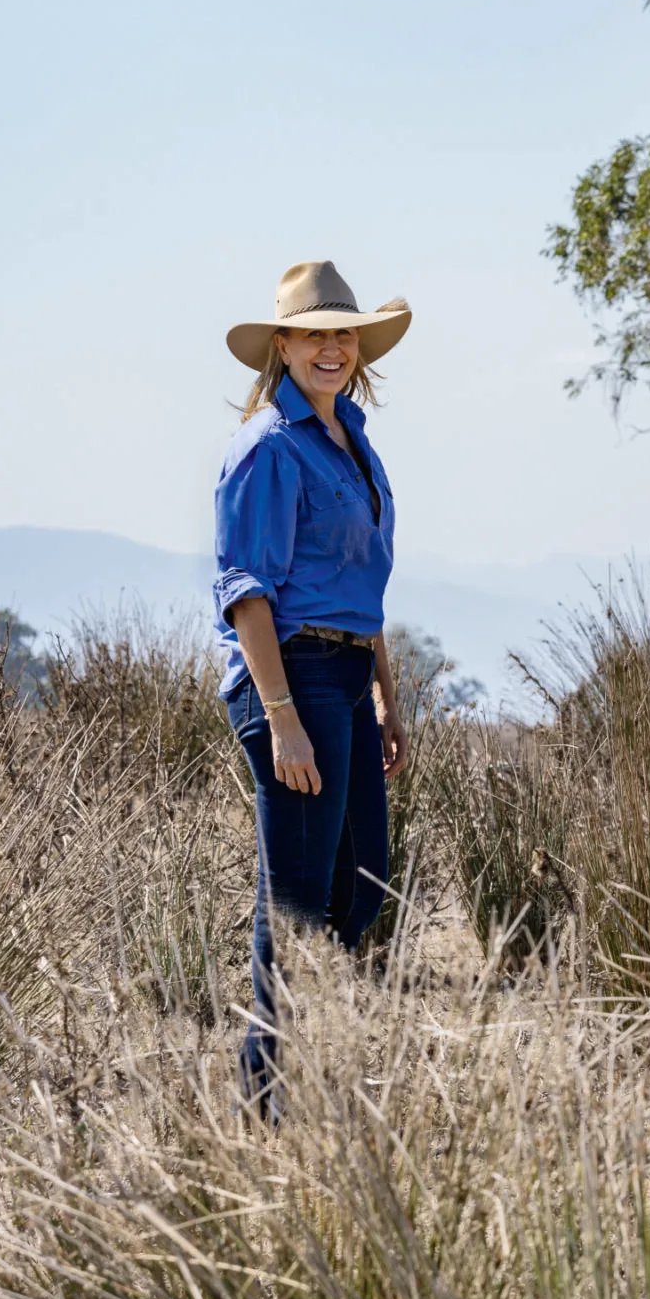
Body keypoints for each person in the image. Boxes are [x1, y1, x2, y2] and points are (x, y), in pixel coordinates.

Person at [214, 258, 411, 1106]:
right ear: (284, 346)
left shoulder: (351, 440)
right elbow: (245, 592)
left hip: (347, 675)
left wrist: (387, 695)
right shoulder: (266, 448)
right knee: (293, 903)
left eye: (344, 335)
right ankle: (266, 1109)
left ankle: (303, 1076)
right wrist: (280, 713)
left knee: (362, 879)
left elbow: (361, 587)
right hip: (289, 679)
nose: (330, 348)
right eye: (314, 335)